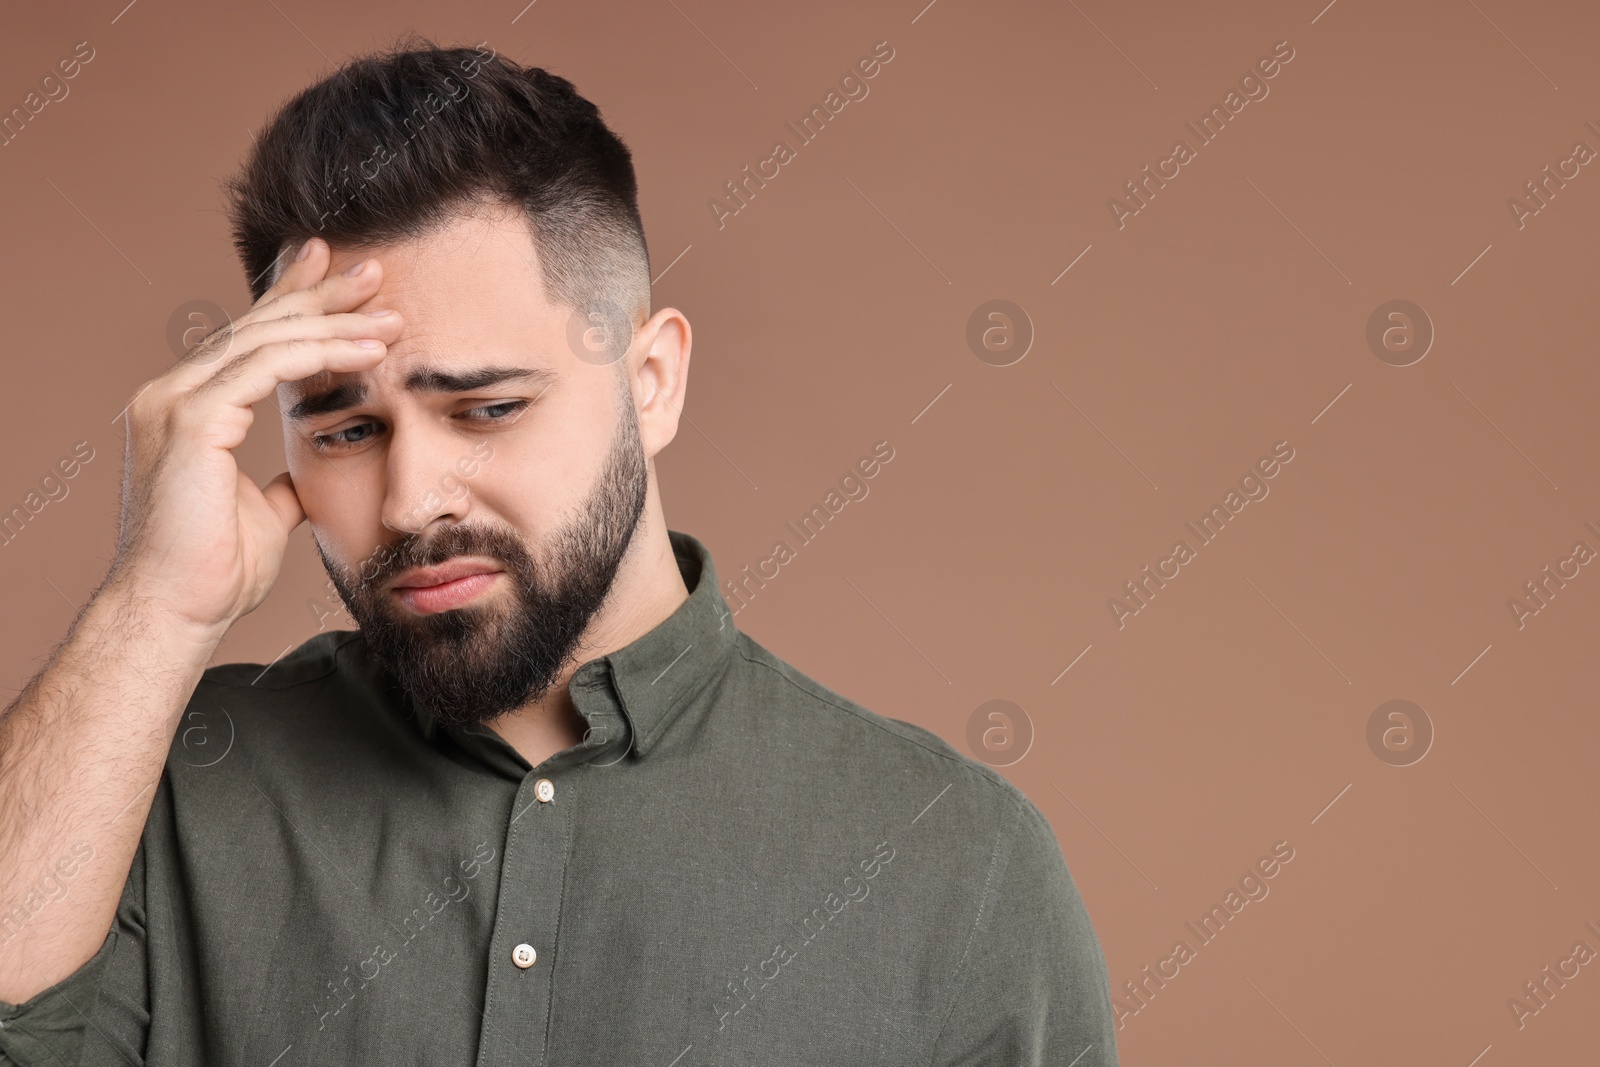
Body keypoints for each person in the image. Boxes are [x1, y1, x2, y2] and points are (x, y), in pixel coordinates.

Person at [0, 37, 1118, 1066]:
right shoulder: (155, 793)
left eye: (486, 407)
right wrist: (154, 603)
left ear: (652, 382)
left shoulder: (957, 868)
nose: (409, 500)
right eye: (343, 427)